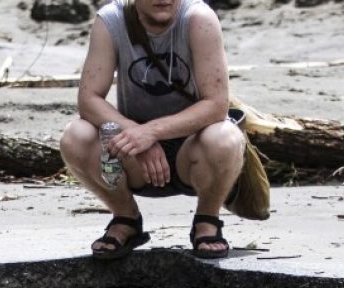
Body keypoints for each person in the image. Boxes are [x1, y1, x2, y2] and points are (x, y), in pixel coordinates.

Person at [59, 0, 246, 261]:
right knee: (76, 135)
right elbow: (89, 100)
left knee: (226, 136)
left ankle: (207, 219)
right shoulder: (110, 20)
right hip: (133, 157)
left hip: (194, 151)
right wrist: (136, 134)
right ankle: (126, 218)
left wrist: (152, 132)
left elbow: (216, 105)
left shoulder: (199, 18)